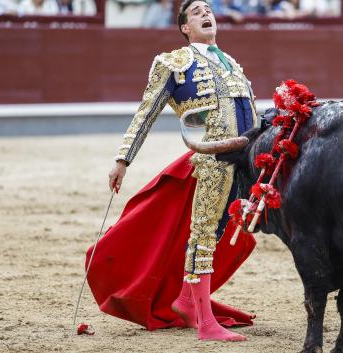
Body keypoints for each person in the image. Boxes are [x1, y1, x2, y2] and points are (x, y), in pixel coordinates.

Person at [108, 0, 256, 342]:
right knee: (203, 233)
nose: (206, 14)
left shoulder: (231, 63)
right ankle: (205, 323)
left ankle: (189, 301)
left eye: (208, 9)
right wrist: (122, 159)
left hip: (244, 161)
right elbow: (146, 112)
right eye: (196, 13)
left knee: (220, 229)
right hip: (211, 160)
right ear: (184, 28)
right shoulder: (173, 62)